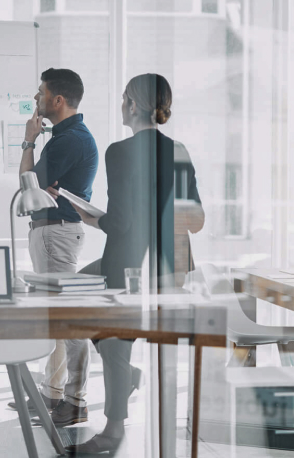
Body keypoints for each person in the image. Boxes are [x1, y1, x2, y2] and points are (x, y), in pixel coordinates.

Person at [67, 73, 202, 454]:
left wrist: (91, 217)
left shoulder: (119, 151)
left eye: (123, 97)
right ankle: (128, 382)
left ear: (132, 104)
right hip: (172, 265)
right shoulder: (178, 150)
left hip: (129, 262)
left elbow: (121, 222)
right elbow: (195, 220)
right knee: (83, 295)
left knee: (111, 339)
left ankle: (113, 430)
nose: (120, 104)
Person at [10, 68, 98, 427]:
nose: (36, 99)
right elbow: (38, 189)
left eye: (40, 93)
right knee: (57, 319)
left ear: (57, 100)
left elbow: (30, 191)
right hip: (54, 232)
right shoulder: (67, 136)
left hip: (56, 232)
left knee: (70, 320)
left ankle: (75, 401)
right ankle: (53, 393)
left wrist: (29, 141)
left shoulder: (69, 140)